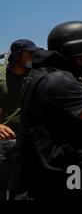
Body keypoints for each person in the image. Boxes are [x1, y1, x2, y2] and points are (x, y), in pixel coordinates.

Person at [12, 21, 82, 200]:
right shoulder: (57, 81)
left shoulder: (48, 75)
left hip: (62, 169)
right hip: (59, 179)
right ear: (79, 53)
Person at [0, 39, 41, 200]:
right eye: (29, 53)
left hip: (26, 141)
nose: (33, 56)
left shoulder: (35, 76)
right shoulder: (1, 75)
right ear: (17, 55)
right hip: (2, 143)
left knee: (22, 192)